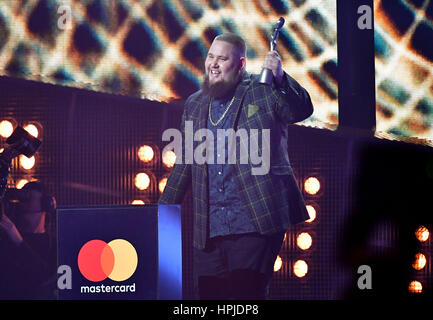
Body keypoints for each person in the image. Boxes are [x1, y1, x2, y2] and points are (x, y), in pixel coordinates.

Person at [159, 32, 314, 299]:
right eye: (210, 57)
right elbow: (185, 162)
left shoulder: (262, 90)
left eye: (222, 58)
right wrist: (159, 213)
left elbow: (300, 109)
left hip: (255, 220)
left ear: (240, 65)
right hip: (209, 228)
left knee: (245, 294)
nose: (214, 64)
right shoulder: (196, 103)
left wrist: (280, 78)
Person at [0, 180, 57, 299]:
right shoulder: (6, 237)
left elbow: (45, 276)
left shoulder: (53, 244)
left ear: (46, 203)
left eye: (29, 197)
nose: (24, 201)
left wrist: (18, 241)